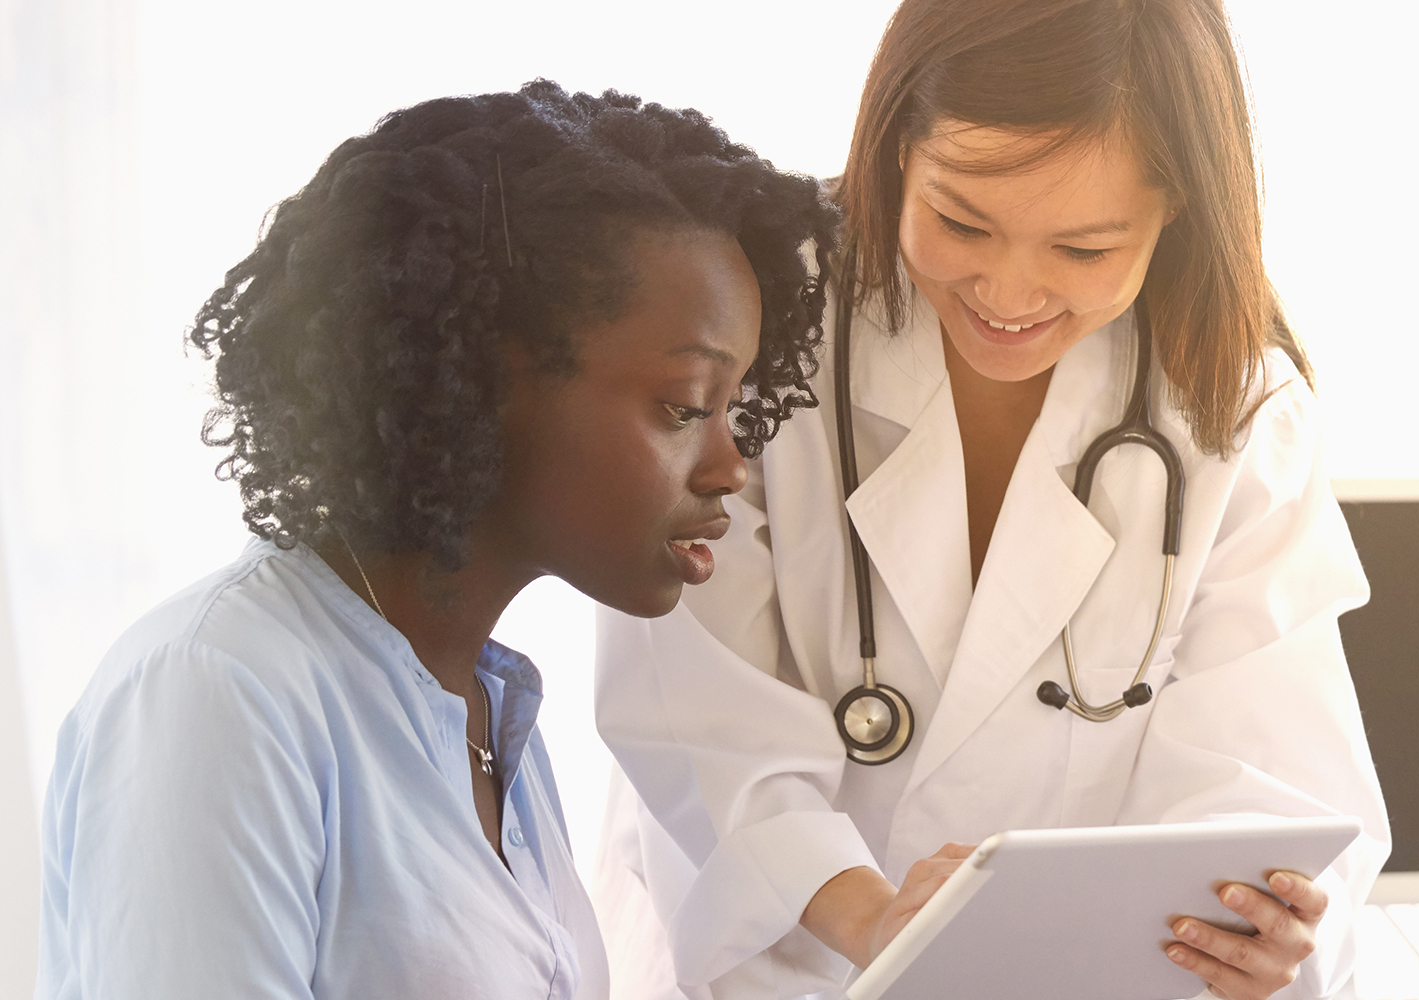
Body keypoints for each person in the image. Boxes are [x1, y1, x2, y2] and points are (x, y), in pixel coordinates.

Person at [589, 1, 1391, 997]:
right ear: (894, 152)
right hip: (782, 971)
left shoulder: (1231, 405)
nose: (1009, 295)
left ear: (1177, 206)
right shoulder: (750, 321)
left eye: (1085, 251)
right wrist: (868, 910)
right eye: (961, 221)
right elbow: (692, 711)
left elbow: (1267, 774)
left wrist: (1259, 924)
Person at [39, 80, 840, 999]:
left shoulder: (493, 718)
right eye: (685, 407)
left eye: (733, 409)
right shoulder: (217, 691)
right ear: (486, 378)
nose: (729, 466)